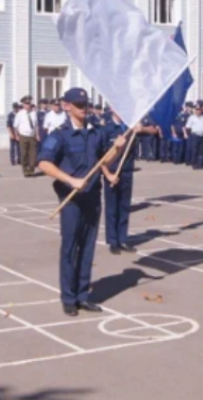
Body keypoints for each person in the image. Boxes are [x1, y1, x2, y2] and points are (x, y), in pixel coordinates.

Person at [37, 88, 125, 317]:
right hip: (72, 200)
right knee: (70, 248)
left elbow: (103, 160)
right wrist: (70, 180)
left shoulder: (95, 133)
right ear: (67, 106)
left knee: (87, 248)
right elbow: (44, 164)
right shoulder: (60, 135)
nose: (83, 109)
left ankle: (82, 296)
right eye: (78, 105)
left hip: (93, 198)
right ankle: (68, 298)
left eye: (85, 104)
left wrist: (118, 148)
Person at [101, 110, 138, 255]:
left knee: (124, 207)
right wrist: (108, 174)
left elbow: (153, 130)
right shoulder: (106, 129)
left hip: (127, 171)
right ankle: (112, 241)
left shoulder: (130, 128)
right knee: (112, 208)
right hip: (112, 173)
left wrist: (141, 128)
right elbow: (100, 156)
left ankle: (122, 239)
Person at [13, 97, 40, 177]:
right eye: (26, 104)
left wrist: (37, 135)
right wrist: (16, 135)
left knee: (33, 155)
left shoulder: (34, 113)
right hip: (23, 136)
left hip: (32, 136)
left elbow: (36, 125)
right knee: (24, 154)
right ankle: (25, 171)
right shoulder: (20, 114)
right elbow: (16, 126)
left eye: (29, 104)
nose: (28, 105)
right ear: (23, 105)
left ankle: (31, 170)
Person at [185, 103, 203, 170]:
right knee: (195, 150)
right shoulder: (191, 118)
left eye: (199, 110)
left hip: (202, 136)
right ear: (195, 110)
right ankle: (194, 164)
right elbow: (187, 127)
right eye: (197, 110)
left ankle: (200, 164)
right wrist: (190, 135)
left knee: (201, 151)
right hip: (195, 136)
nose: (198, 111)